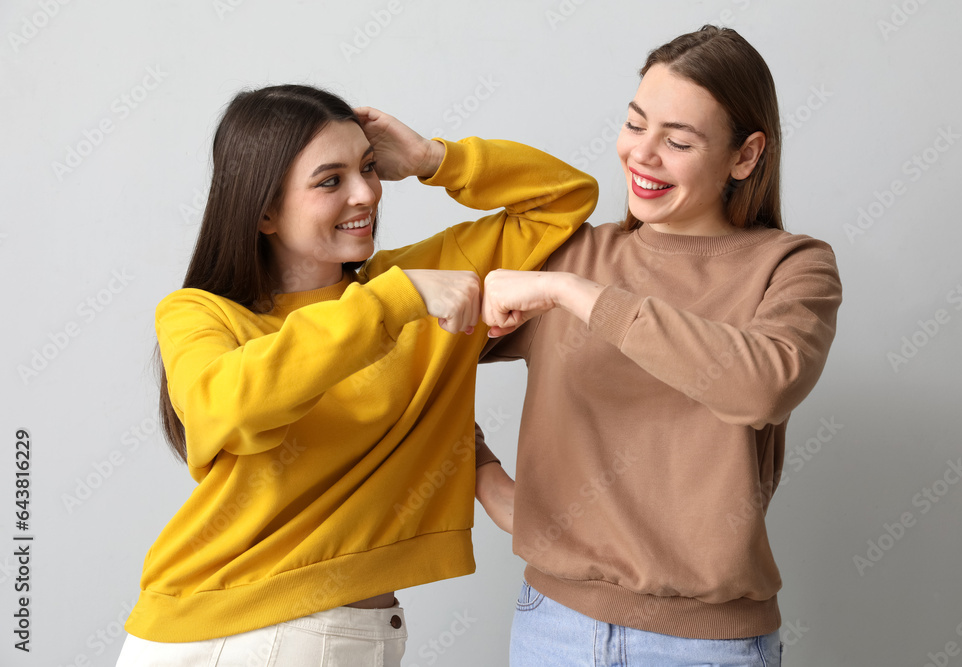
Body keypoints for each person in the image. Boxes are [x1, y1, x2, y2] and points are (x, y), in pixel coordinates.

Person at [116, 84, 597, 666]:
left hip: (331, 633)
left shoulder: (414, 284)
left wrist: (431, 159)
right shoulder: (201, 312)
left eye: (368, 169)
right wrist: (398, 300)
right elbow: (225, 406)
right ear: (264, 211)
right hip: (233, 631)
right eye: (330, 180)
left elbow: (565, 199)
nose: (366, 192)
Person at [474, 26, 842, 666]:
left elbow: (762, 385)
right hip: (552, 627)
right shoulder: (576, 249)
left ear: (745, 156)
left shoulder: (793, 267)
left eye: (677, 141)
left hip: (710, 647)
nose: (642, 155)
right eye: (635, 125)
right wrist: (483, 476)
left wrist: (573, 293)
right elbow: (407, 358)